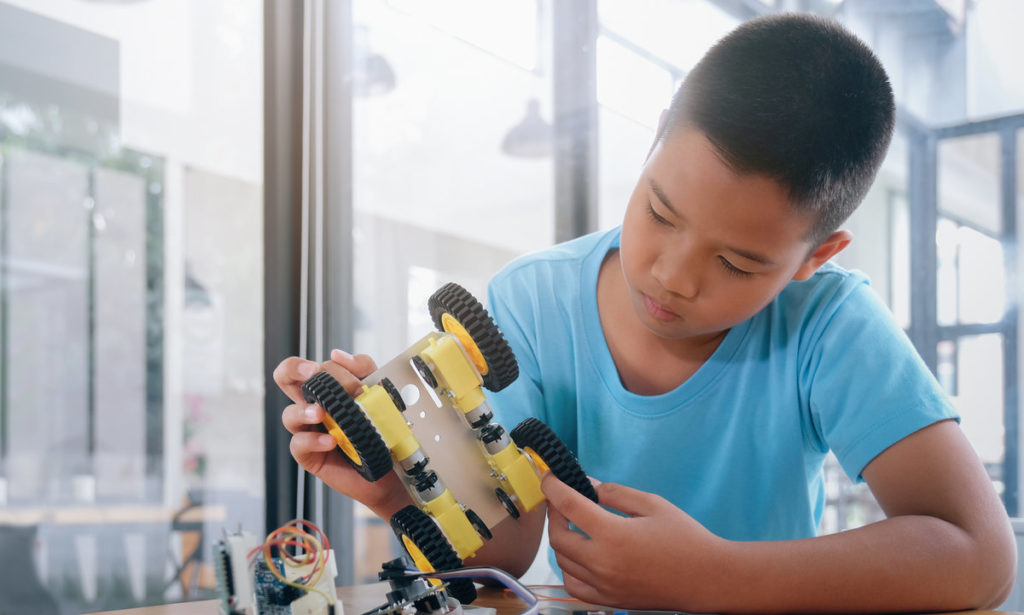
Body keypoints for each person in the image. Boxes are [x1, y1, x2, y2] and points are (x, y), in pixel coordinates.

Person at [274, 13, 1016, 613]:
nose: (671, 274)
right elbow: (504, 555)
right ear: (657, 133)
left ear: (816, 257)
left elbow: (980, 556)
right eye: (660, 210)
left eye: (738, 263)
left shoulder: (829, 325)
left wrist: (717, 577)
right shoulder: (532, 300)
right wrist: (399, 487)